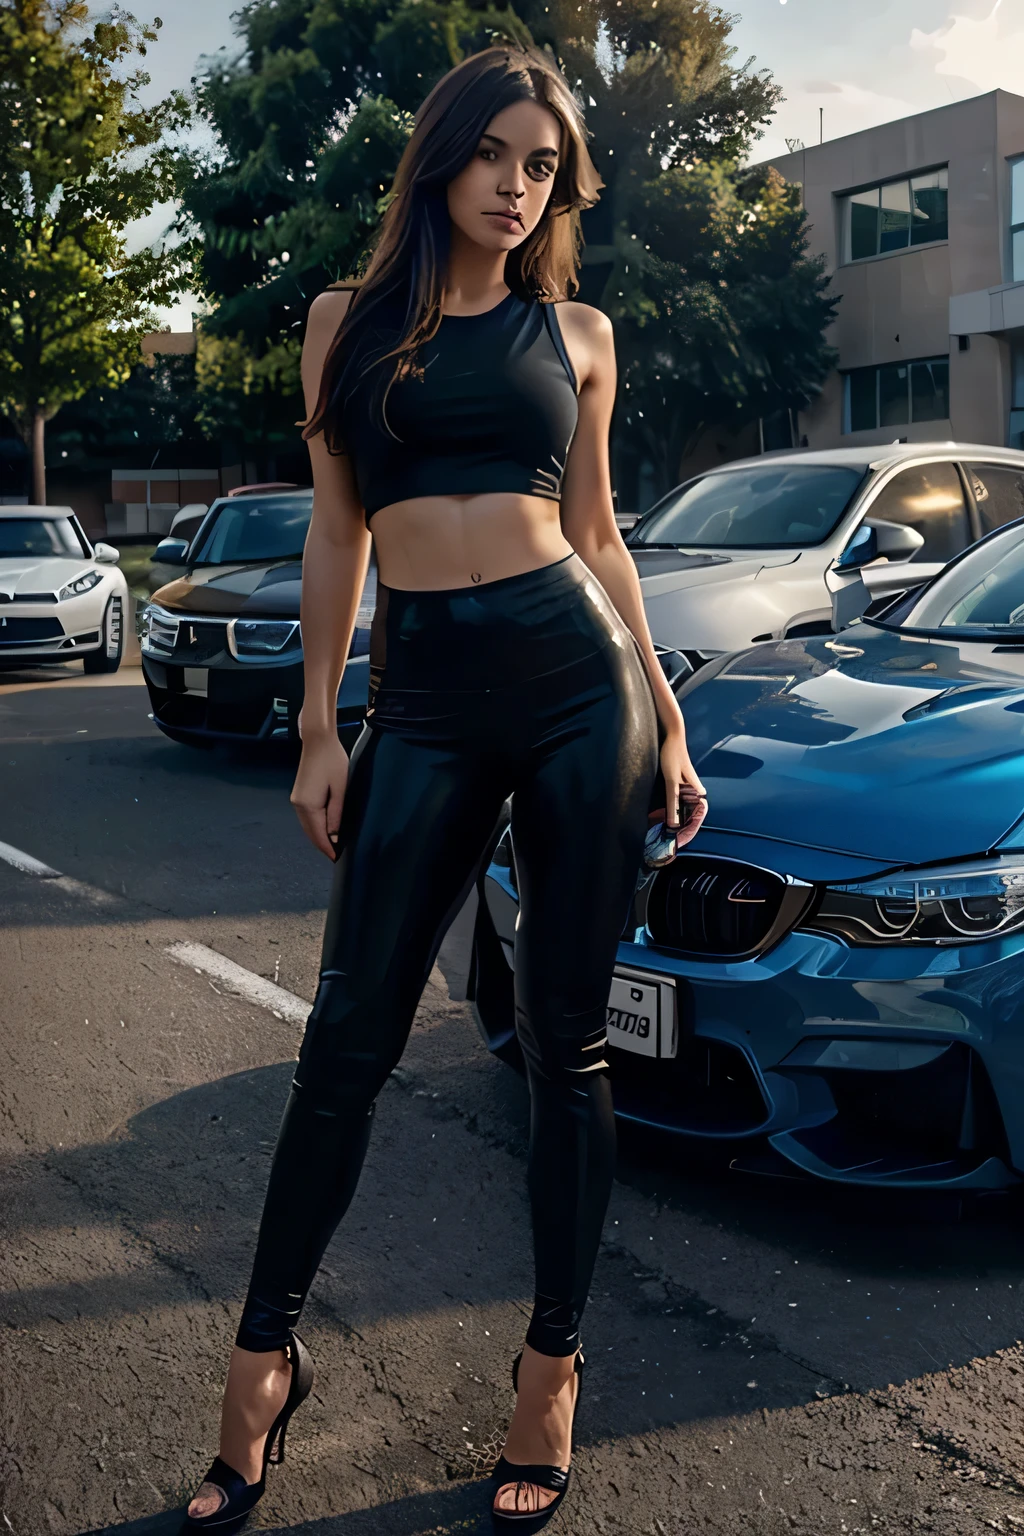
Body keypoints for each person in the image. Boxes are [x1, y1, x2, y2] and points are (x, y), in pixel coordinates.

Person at [183, 43, 707, 1532]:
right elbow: (339, 533)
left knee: (565, 1041)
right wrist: (319, 724)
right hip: (422, 699)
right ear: (440, 157)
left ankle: (551, 1363)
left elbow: (602, 540)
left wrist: (665, 718)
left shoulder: (579, 333)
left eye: (542, 166)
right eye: (496, 154)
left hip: (574, 685)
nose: (516, 185)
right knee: (346, 1036)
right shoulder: (345, 325)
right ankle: (262, 1362)